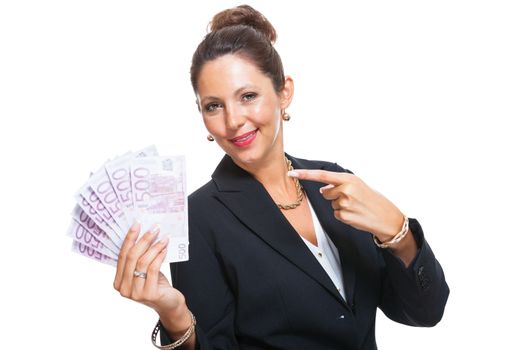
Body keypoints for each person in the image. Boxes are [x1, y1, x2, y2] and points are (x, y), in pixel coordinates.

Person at [113, 5, 449, 350]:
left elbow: (425, 312)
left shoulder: (335, 184)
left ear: (284, 92)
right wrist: (176, 317)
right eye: (214, 106)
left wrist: (398, 233)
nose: (233, 121)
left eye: (248, 96)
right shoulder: (199, 219)